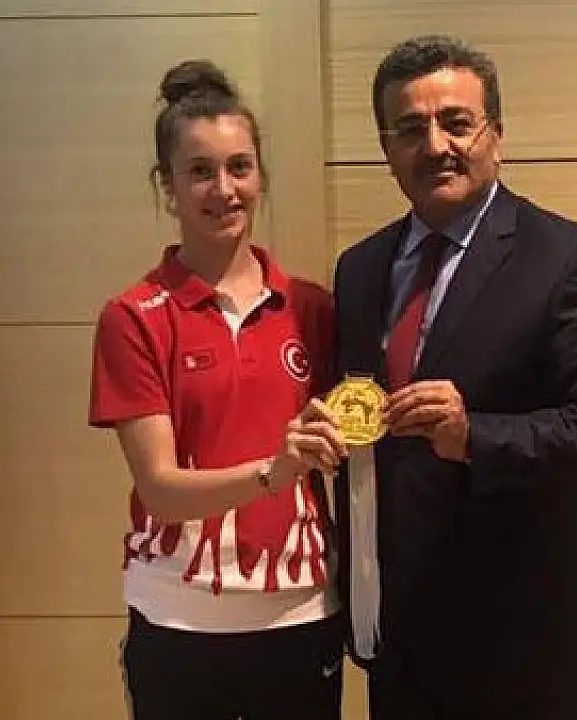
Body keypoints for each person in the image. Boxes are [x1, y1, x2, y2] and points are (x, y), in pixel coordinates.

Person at [330, 35, 577, 719]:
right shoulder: (358, 270)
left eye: (457, 122)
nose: (436, 146)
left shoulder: (571, 258)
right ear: (387, 148)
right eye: (410, 129)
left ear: (496, 135)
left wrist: (474, 435)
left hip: (531, 631)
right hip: (402, 628)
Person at [88, 59, 347, 719]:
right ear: (167, 186)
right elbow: (160, 490)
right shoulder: (133, 317)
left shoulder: (312, 307)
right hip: (179, 621)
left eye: (239, 167)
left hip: (301, 613)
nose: (224, 189)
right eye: (200, 170)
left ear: (260, 175)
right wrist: (275, 470)